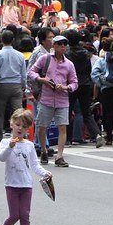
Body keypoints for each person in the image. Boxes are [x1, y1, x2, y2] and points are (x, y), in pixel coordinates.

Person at [0, 108, 52, 225]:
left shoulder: (29, 145)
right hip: (11, 184)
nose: (20, 128)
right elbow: (1, 158)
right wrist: (10, 147)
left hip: (26, 185)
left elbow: (34, 164)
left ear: (28, 128)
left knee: (25, 215)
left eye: (24, 126)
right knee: (14, 215)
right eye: (17, 124)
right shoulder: (5, 142)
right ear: (11, 124)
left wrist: (45, 172)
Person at [28, 34, 78, 166]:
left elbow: (74, 83)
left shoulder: (69, 64)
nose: (63, 46)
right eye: (60, 44)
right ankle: (44, 150)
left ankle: (59, 156)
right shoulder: (45, 59)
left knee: (62, 127)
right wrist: (41, 79)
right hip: (46, 98)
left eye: (64, 44)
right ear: (54, 46)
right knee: (42, 127)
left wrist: (66, 87)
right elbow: (31, 71)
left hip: (62, 99)